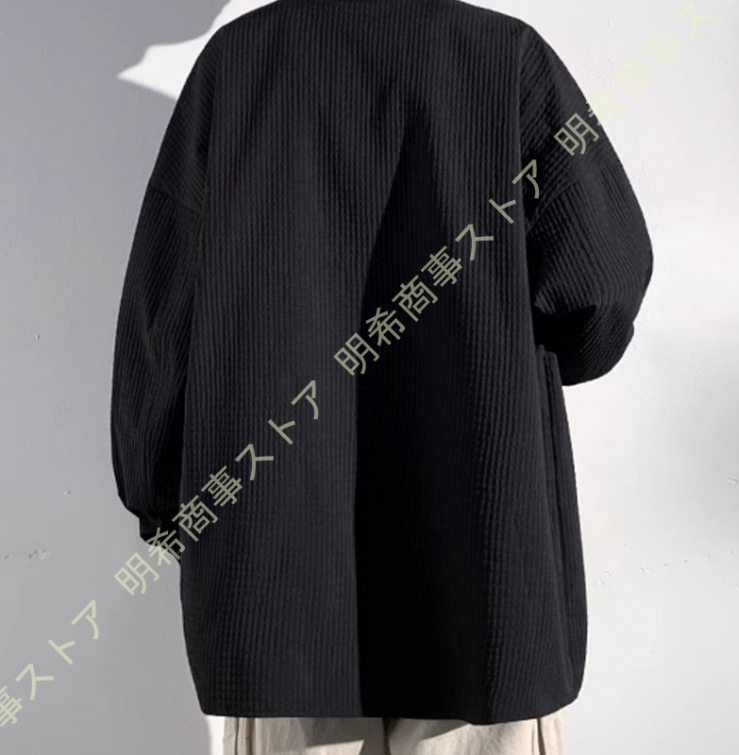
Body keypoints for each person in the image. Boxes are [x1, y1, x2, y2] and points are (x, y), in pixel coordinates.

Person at [109, 0, 654, 753]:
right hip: (482, 587)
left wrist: (164, 499)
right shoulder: (507, 60)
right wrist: (502, 353)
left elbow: (161, 322)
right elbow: (601, 286)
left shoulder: (235, 68)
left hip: (283, 599)